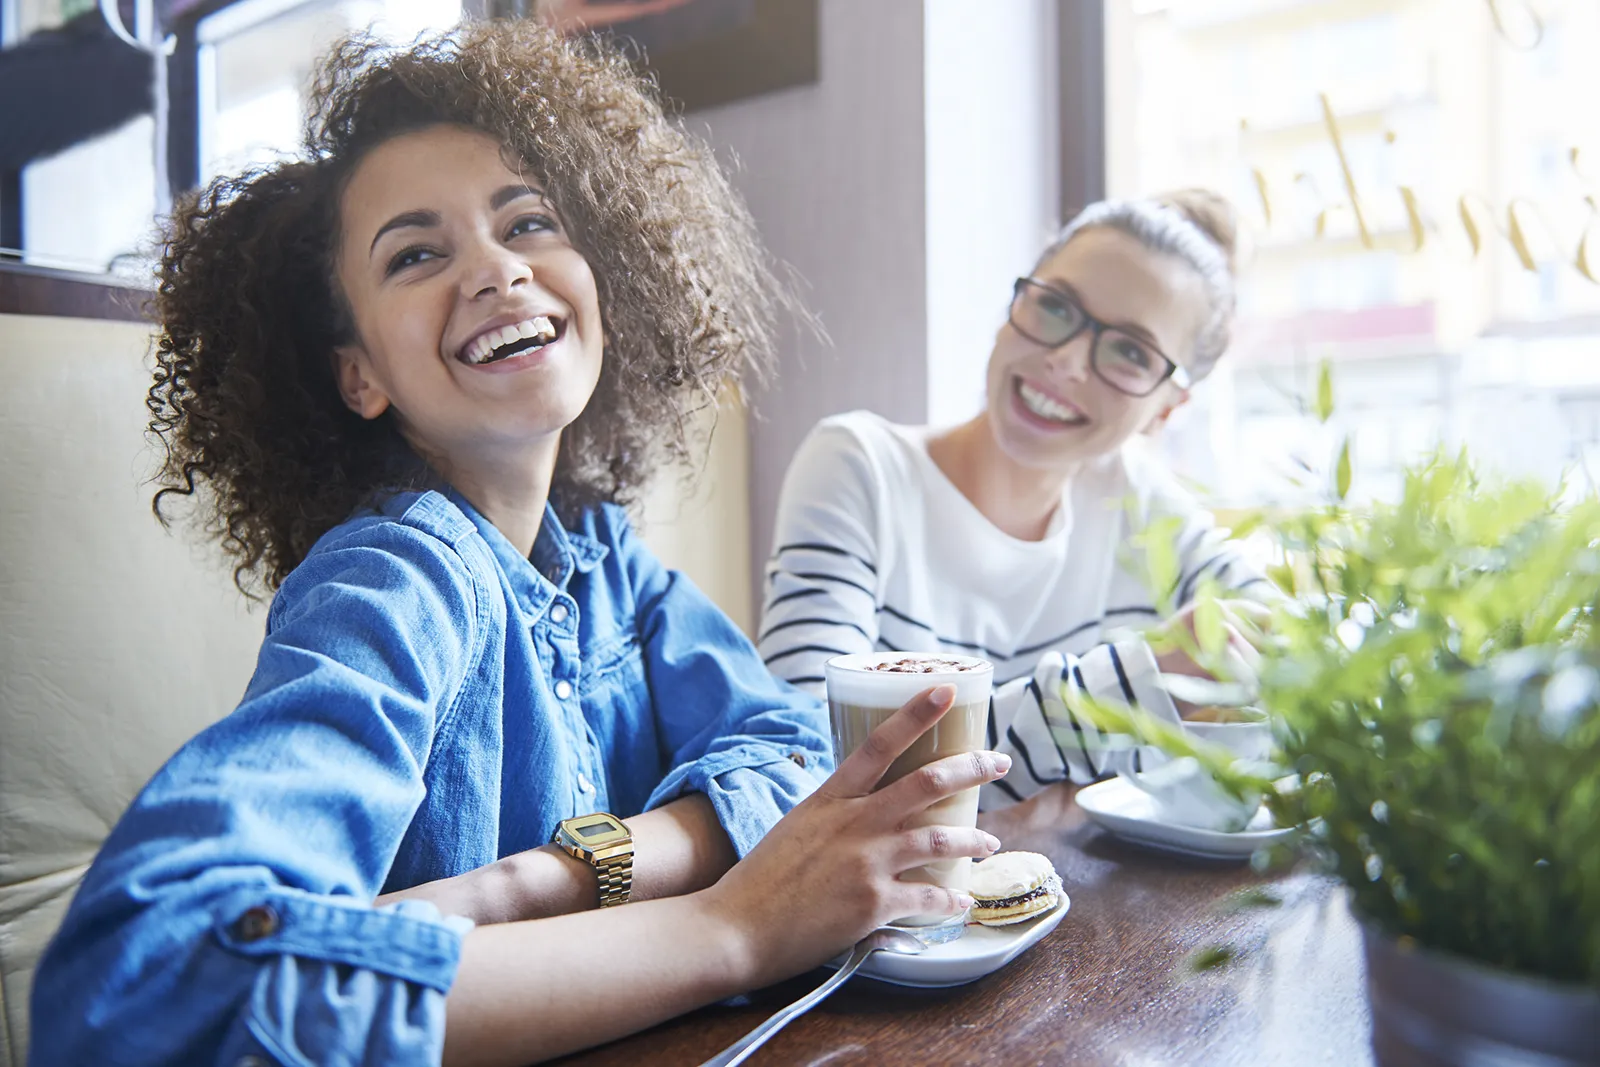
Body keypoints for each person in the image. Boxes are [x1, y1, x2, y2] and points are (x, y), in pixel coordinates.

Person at [28, 23, 1011, 1067]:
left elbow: (789, 755)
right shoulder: (394, 576)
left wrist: (539, 880)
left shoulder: (600, 556)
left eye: (528, 221)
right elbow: (145, 986)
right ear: (358, 373)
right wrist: (732, 927)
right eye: (415, 253)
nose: (495, 270)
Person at [758, 191, 1271, 809]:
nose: (1066, 360)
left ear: (1166, 407)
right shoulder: (860, 467)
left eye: (1131, 352)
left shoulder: (1137, 500)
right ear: (1014, 305)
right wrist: (1126, 691)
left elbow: (1283, 637)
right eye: (1056, 307)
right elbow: (811, 768)